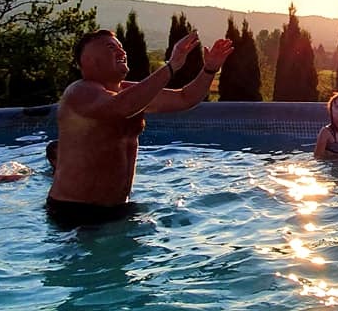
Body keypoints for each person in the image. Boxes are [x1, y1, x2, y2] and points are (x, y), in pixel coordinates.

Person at [45, 29, 233, 228]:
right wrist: (172, 66)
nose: (121, 51)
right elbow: (122, 107)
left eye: (121, 47)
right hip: (74, 212)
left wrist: (209, 70)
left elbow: (185, 98)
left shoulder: (129, 92)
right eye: (111, 47)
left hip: (118, 209)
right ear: (88, 60)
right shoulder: (79, 92)